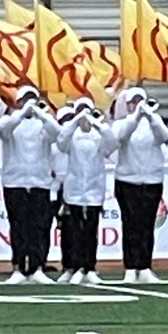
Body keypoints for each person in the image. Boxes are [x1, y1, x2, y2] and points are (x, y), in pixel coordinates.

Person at [0, 85, 60, 285]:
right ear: (18, 102)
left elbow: (57, 133)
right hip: (15, 182)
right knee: (18, 226)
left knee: (39, 227)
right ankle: (18, 266)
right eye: (25, 100)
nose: (29, 104)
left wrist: (42, 113)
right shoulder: (9, 120)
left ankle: (37, 267)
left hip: (40, 182)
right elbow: (3, 131)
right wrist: (22, 112)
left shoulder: (43, 123)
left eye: (32, 99)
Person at [56, 99, 118, 285]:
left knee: (91, 231)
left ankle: (89, 267)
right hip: (74, 190)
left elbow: (112, 144)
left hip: (94, 189)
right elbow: (61, 142)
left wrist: (97, 123)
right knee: (73, 231)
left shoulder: (98, 136)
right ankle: (75, 267)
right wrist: (75, 121)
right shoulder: (71, 135)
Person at [111, 86, 168, 284]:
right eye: (133, 102)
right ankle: (130, 267)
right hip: (127, 180)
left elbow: (164, 136)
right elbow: (120, 137)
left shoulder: (155, 121)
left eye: (139, 101)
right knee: (130, 225)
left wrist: (151, 116)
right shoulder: (122, 123)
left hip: (152, 180)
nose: (137, 105)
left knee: (147, 225)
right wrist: (136, 117)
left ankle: (145, 266)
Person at [52, 104, 76, 283]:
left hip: (77, 188)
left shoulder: (81, 140)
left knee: (78, 229)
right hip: (58, 189)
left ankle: (82, 265)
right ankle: (67, 265)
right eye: (64, 120)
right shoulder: (54, 144)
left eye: (71, 119)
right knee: (65, 230)